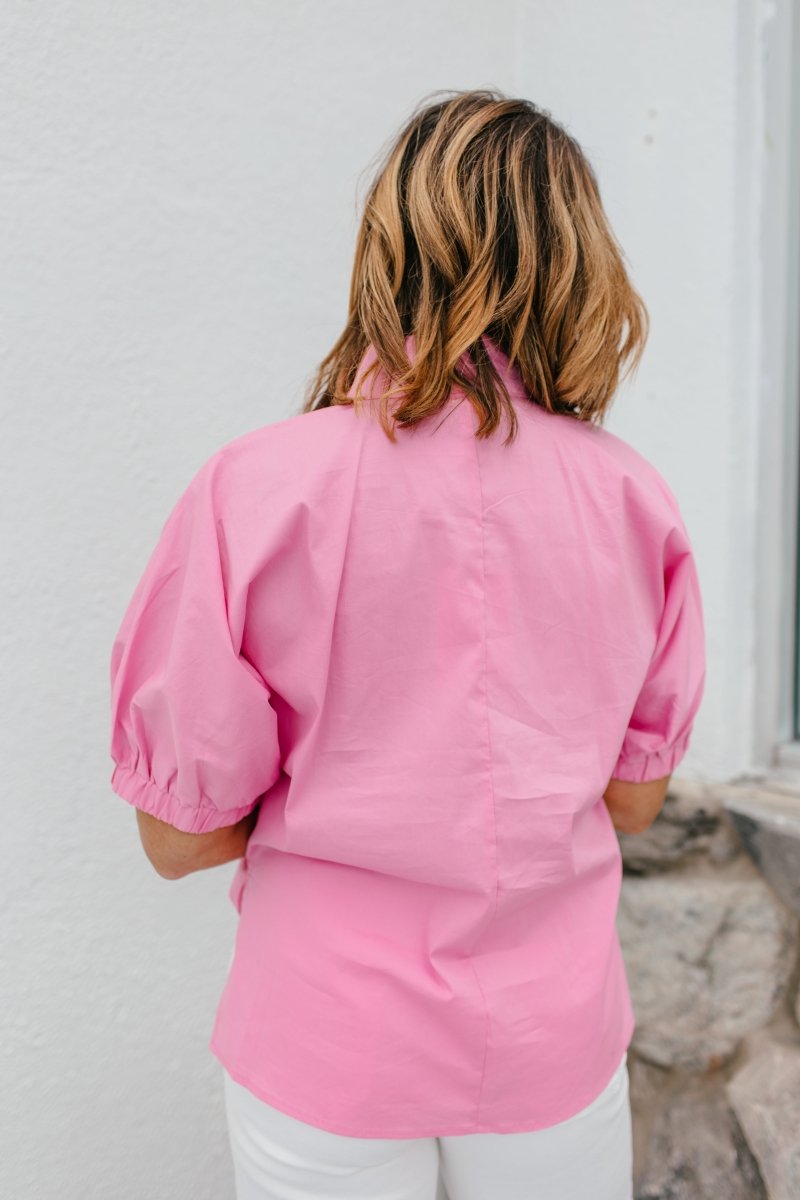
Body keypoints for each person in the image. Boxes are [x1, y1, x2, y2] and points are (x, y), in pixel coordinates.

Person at [108, 88, 706, 1200]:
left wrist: (344, 780)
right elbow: (630, 803)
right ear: (579, 265)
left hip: (328, 1036)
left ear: (390, 248)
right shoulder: (637, 504)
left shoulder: (257, 487)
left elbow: (177, 841)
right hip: (549, 1038)